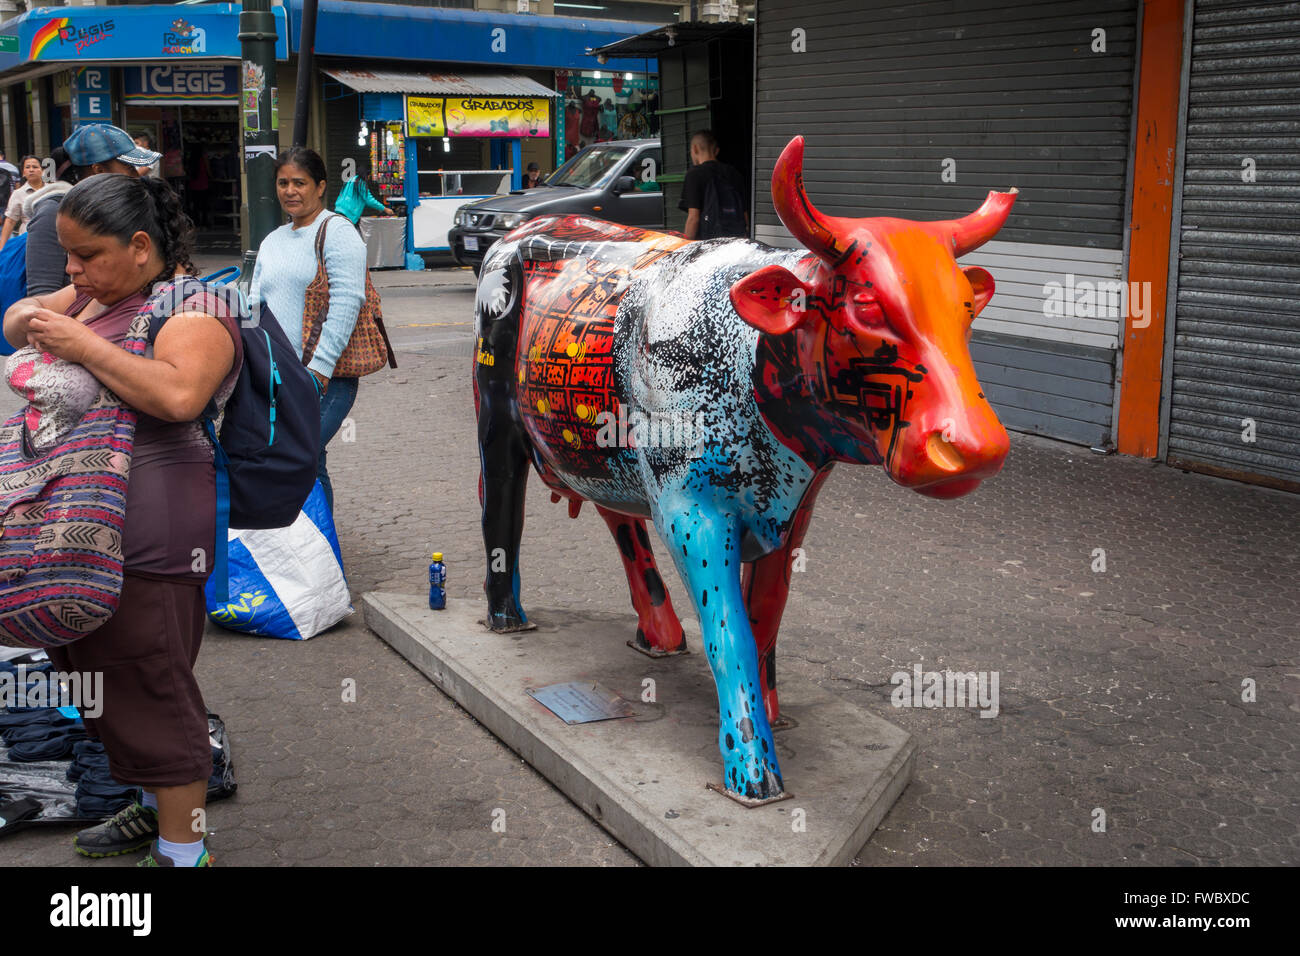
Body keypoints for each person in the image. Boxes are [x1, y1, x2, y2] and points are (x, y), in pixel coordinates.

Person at [2, 174, 242, 867]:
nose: (72, 270)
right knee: (101, 686)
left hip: (148, 538)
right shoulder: (97, 293)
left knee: (152, 692)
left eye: (87, 255)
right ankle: (149, 807)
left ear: (141, 247)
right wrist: (32, 319)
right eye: (66, 254)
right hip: (78, 531)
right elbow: (16, 314)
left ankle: (183, 850)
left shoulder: (196, 307)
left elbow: (178, 394)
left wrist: (77, 346)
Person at [249, 147, 367, 514]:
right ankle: (300, 540)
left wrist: (320, 369)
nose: (290, 191)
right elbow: (254, 302)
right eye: (283, 183)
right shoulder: (273, 240)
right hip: (277, 373)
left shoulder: (337, 231)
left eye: (299, 183)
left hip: (326, 376)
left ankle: (319, 547)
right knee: (303, 459)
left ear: (320, 187)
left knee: (305, 454)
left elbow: (348, 301)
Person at [25, 126, 159, 297]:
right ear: (99, 171)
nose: (136, 175)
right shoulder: (52, 214)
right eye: (129, 167)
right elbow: (42, 296)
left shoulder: (123, 208)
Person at [679, 130, 749, 241]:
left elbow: (693, 218)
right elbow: (744, 215)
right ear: (716, 151)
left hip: (708, 244)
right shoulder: (734, 173)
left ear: (695, 148)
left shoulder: (694, 174)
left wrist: (686, 246)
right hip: (735, 242)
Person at [0, 155, 45, 250]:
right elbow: (10, 221)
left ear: (43, 171)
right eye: (27, 167)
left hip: (50, 238)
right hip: (27, 242)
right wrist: (2, 248)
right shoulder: (18, 194)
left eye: (35, 167)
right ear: (23, 172)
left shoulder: (52, 190)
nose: (31, 170)